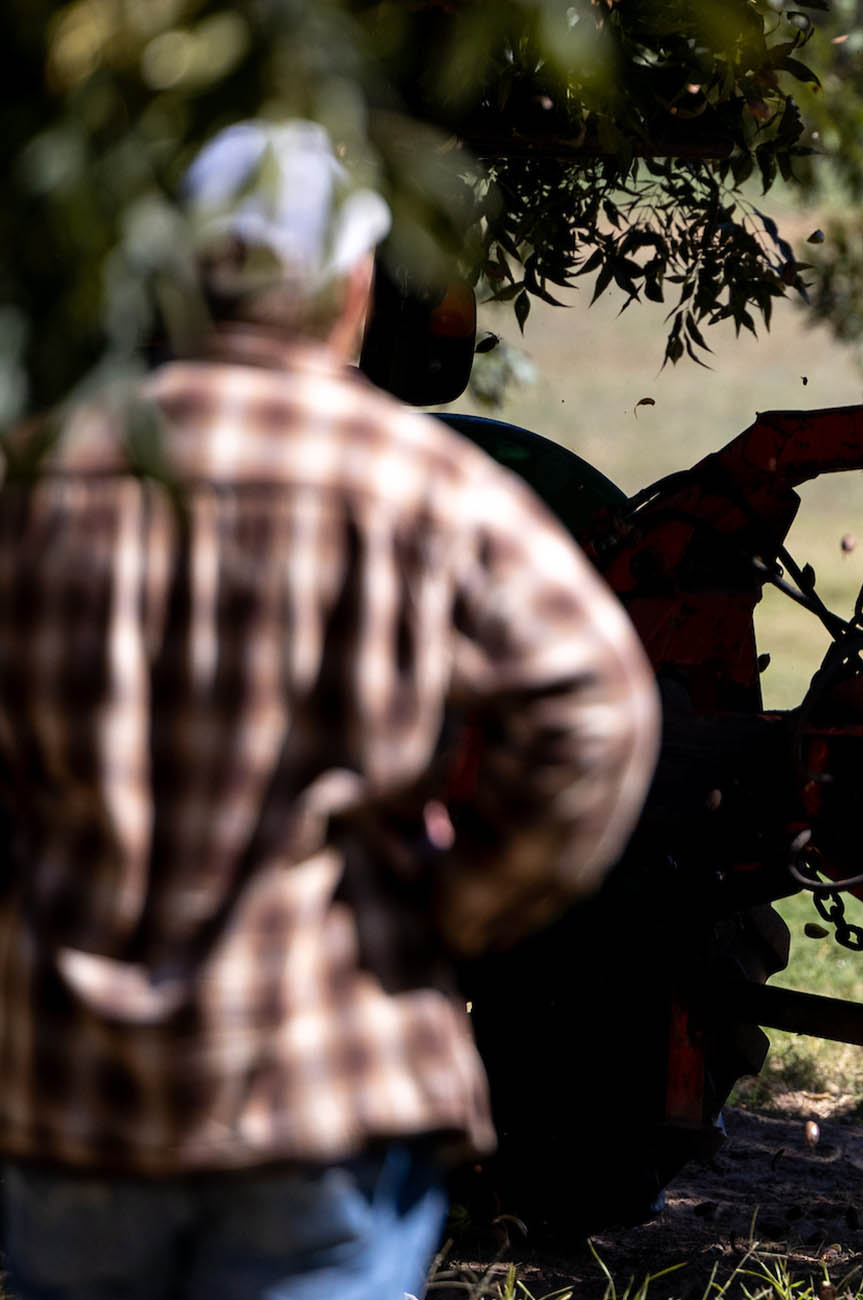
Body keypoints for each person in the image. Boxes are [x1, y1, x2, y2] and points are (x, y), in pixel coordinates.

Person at [0, 120, 660, 1299]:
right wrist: (457, 912)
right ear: (356, 280)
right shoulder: (424, 478)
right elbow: (597, 714)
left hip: (72, 1090)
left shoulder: (46, 474)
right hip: (325, 1082)